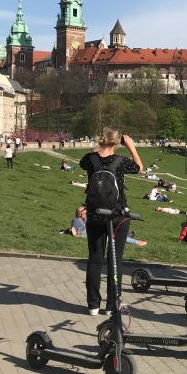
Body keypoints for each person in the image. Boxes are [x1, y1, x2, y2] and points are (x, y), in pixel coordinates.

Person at [80, 127, 142, 316]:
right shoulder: (121, 162)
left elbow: (86, 162)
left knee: (95, 259)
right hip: (117, 217)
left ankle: (93, 305)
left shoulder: (89, 159)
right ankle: (112, 305)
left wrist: (97, 148)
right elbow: (139, 168)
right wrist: (131, 147)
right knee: (115, 260)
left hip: (95, 214)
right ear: (117, 143)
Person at [69, 206, 147, 247]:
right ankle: (137, 242)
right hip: (94, 236)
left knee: (114, 235)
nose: (87, 214)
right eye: (85, 213)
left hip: (95, 234)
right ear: (80, 214)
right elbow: (75, 230)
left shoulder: (82, 220)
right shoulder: (76, 220)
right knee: (116, 238)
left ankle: (125, 235)